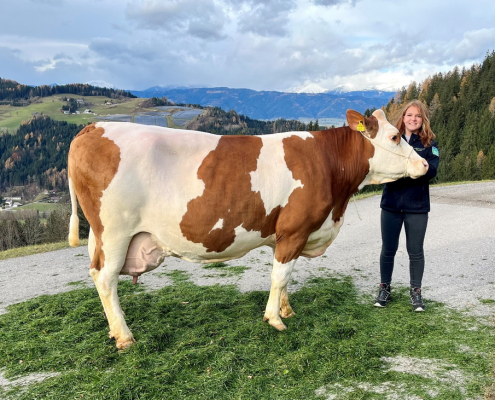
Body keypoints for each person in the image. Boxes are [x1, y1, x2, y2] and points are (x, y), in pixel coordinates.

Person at [374, 99, 439, 312]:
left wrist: (419, 170)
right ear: (403, 117)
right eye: (409, 115)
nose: (413, 119)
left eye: (418, 116)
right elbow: (383, 167)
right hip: (391, 205)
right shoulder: (392, 139)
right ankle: (385, 289)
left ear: (423, 120)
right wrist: (414, 170)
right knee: (388, 250)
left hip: (417, 207)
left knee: (416, 251)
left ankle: (416, 293)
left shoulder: (430, 143)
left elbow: (432, 170)